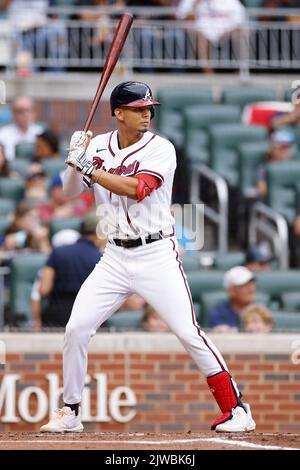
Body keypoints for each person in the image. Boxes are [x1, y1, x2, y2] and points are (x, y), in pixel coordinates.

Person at [40, 81, 255, 433]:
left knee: (188, 332)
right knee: (76, 328)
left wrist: (90, 168)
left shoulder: (162, 149)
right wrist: (74, 161)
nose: (146, 115)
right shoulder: (98, 146)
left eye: (148, 108)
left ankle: (237, 409)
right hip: (113, 256)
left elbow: (138, 189)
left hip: (156, 253)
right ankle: (71, 411)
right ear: (119, 113)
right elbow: (67, 192)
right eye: (138, 109)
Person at [38, 213, 104, 328]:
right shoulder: (102, 259)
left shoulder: (58, 252)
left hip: (56, 318)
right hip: (90, 318)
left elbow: (44, 289)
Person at [208, 266, 257, 332]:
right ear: (231, 290)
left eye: (251, 284)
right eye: (244, 285)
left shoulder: (261, 312)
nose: (251, 289)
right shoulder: (218, 315)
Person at [0, 96, 43, 161]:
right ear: (13, 113)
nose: (25, 114)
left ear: (33, 112)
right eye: (20, 111)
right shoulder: (3, 134)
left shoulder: (40, 132)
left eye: (28, 110)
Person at [256, 129, 295, 199]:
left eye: (289, 146)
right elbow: (261, 191)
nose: (287, 151)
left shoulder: (294, 167)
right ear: (273, 149)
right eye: (283, 147)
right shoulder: (264, 168)